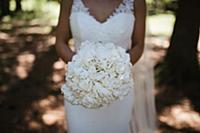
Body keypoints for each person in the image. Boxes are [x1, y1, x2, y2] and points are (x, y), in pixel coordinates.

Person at [55, 0, 157, 132]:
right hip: (80, 88)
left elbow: (138, 46)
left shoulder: (136, 2)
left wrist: (116, 68)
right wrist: (82, 66)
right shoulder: (69, 1)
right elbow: (60, 42)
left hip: (119, 88)